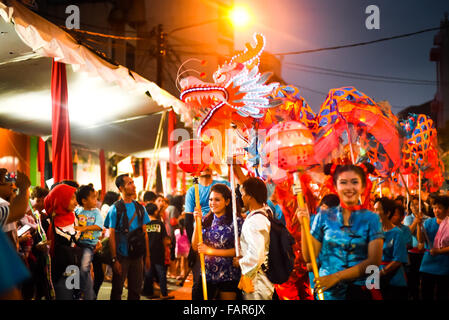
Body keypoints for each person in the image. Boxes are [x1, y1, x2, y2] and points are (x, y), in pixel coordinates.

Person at [299, 163, 384, 300]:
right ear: (335, 187)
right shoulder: (322, 217)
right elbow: (309, 257)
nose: (349, 188)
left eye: (354, 182)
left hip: (358, 292)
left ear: (363, 186)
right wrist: (303, 225)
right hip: (327, 292)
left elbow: (373, 262)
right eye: (343, 182)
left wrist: (337, 277)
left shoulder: (372, 219)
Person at [184, 167, 230, 300]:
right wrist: (192, 249)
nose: (212, 203)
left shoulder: (223, 185)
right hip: (201, 236)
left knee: (224, 283)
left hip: (223, 236)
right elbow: (188, 221)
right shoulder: (193, 190)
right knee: (200, 283)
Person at [192, 183, 243, 300]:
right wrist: (197, 222)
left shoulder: (237, 222)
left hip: (228, 274)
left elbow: (239, 250)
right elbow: (195, 247)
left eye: (217, 200)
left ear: (227, 201)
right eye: (210, 199)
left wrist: (210, 251)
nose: (212, 203)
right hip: (207, 274)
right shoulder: (205, 220)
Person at [104, 174, 151, 300]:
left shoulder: (141, 208)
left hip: (137, 257)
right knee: (117, 290)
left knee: (136, 291)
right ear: (121, 188)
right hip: (121, 256)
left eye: (133, 182)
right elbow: (111, 236)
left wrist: (147, 257)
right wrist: (114, 260)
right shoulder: (115, 209)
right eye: (129, 183)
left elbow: (144, 233)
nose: (133, 186)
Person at [233, 177, 274, 300]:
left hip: (257, 282)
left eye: (243, 194)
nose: (242, 198)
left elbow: (257, 256)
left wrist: (240, 262)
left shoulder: (255, 221)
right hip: (262, 278)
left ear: (250, 196)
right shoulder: (266, 211)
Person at [44, 183, 80, 300]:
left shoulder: (76, 218)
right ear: (61, 199)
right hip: (58, 273)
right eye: (72, 198)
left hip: (76, 270)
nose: (76, 202)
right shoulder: (47, 223)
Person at [373, 198, 408, 300]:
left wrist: (381, 273)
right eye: (374, 209)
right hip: (374, 276)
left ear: (387, 213)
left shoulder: (397, 233)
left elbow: (398, 260)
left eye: (377, 210)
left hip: (393, 279)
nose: (374, 213)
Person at [74, 184, 104, 300]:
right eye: (93, 197)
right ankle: (82, 293)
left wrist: (84, 228)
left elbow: (98, 226)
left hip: (89, 244)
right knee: (77, 269)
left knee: (84, 268)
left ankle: (89, 295)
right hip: (77, 244)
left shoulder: (96, 212)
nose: (96, 200)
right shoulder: (77, 210)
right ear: (84, 200)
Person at [418, 195, 449, 300]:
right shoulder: (428, 222)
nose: (436, 210)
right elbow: (421, 240)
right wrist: (418, 225)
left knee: (442, 294)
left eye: (439, 208)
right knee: (426, 294)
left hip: (444, 264)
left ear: (447, 209)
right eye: (434, 207)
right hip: (427, 263)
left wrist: (439, 251)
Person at [142, 203, 174, 299]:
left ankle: (148, 292)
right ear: (155, 211)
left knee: (148, 273)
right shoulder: (159, 223)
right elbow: (164, 239)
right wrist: (165, 250)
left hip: (147, 252)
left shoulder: (144, 224)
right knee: (161, 273)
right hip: (159, 252)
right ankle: (164, 293)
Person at [403, 195, 428, 300]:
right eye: (412, 205)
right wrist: (415, 222)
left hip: (425, 253)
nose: (414, 206)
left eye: (417, 204)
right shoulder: (408, 218)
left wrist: (420, 222)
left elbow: (423, 237)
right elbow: (408, 232)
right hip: (412, 253)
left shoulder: (428, 219)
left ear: (421, 205)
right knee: (412, 279)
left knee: (424, 280)